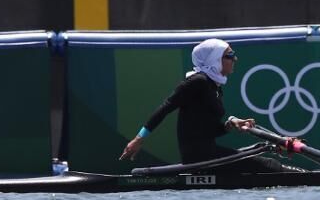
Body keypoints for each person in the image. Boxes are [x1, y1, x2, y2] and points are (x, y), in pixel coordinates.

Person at [119, 38, 292, 172]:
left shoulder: (214, 86)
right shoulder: (197, 81)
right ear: (215, 59)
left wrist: (230, 124)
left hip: (209, 152)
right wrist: (139, 138)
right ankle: (308, 179)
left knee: (261, 151)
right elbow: (166, 107)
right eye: (230, 55)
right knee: (268, 165)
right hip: (198, 157)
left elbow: (208, 130)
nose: (235, 59)